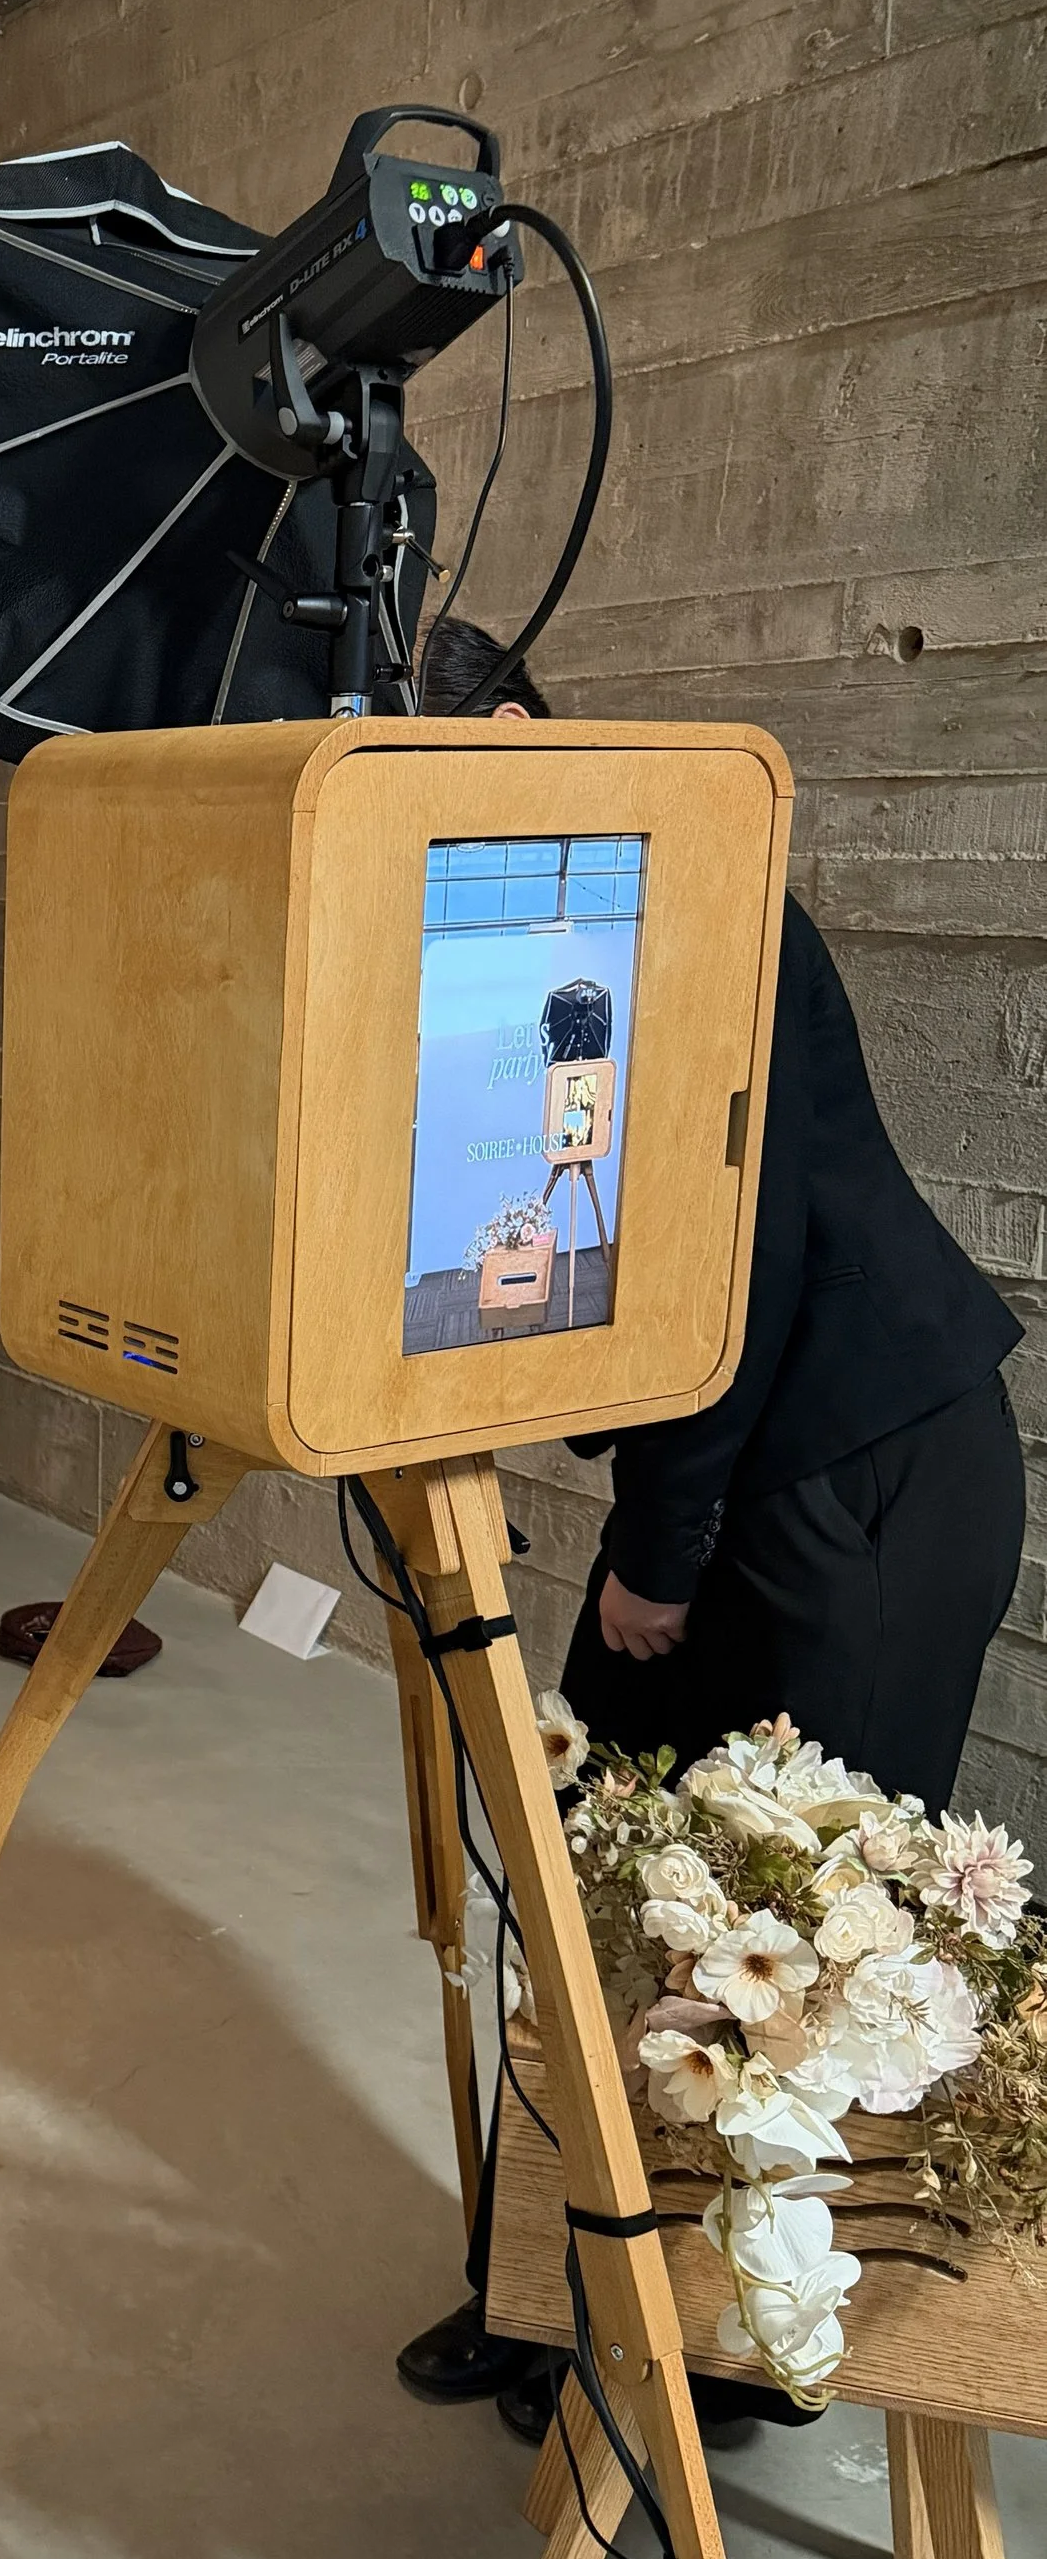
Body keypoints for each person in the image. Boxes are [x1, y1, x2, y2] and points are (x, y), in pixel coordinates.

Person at [397, 616, 1029, 2438]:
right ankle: (549, 2284)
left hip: (864, 1467)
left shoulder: (696, 907)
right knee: (600, 1852)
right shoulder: (546, 938)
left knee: (807, 1924)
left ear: (520, 735)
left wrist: (659, 1553)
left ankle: (747, 2336)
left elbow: (725, 1272)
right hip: (740, 1447)